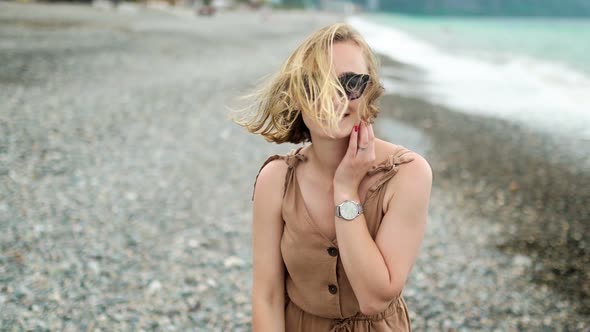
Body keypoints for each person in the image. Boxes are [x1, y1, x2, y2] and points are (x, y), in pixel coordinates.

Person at [233, 23, 432, 331]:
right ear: (296, 97)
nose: (337, 98)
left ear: (368, 92)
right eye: (317, 85)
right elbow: (267, 296)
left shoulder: (408, 174)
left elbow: (374, 298)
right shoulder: (275, 179)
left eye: (351, 82)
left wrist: (346, 191)